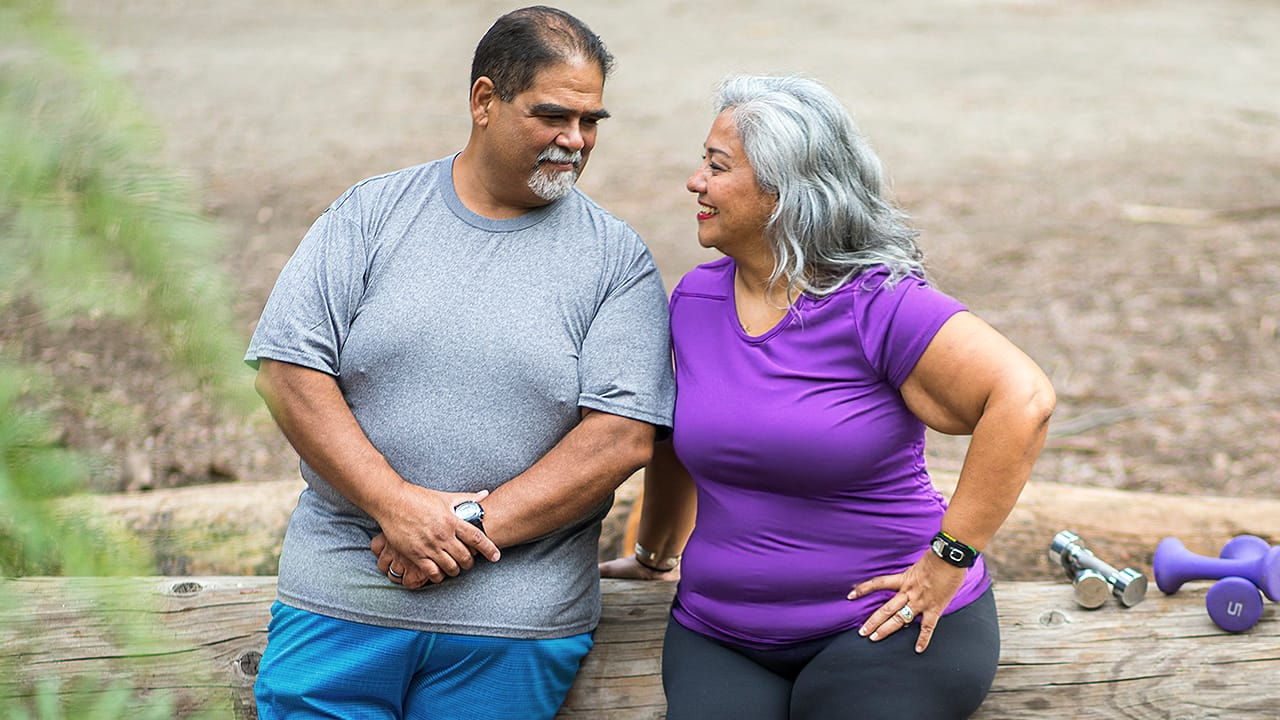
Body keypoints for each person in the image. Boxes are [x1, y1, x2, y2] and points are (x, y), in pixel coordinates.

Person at [245, 7, 675, 719]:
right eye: (553, 116)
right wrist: (394, 504)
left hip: (513, 627)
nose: (576, 141)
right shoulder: (370, 215)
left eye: (591, 121)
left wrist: (460, 523)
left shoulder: (615, 259)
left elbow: (622, 436)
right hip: (341, 605)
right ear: (484, 101)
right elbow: (287, 373)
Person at [600, 75, 1056, 720]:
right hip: (720, 633)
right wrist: (653, 555)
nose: (694, 181)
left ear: (786, 192)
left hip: (886, 626)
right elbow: (676, 442)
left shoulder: (879, 304)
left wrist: (950, 558)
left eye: (717, 165)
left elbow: (1024, 398)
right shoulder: (695, 301)